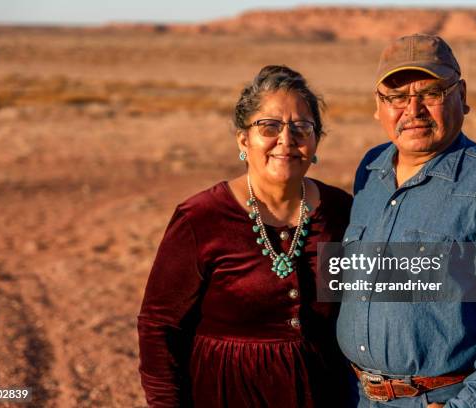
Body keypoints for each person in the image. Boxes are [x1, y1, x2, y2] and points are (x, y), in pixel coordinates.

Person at [336, 34, 476, 407]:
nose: (413, 109)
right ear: (379, 106)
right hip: (359, 397)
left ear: (462, 95)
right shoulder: (369, 173)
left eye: (431, 93)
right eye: (397, 96)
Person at [138, 65, 353, 407]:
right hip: (224, 393)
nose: (286, 139)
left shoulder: (340, 210)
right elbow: (159, 327)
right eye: (269, 126)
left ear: (316, 141)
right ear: (243, 139)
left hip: (324, 394)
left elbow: (383, 295)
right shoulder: (201, 217)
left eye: (302, 127)